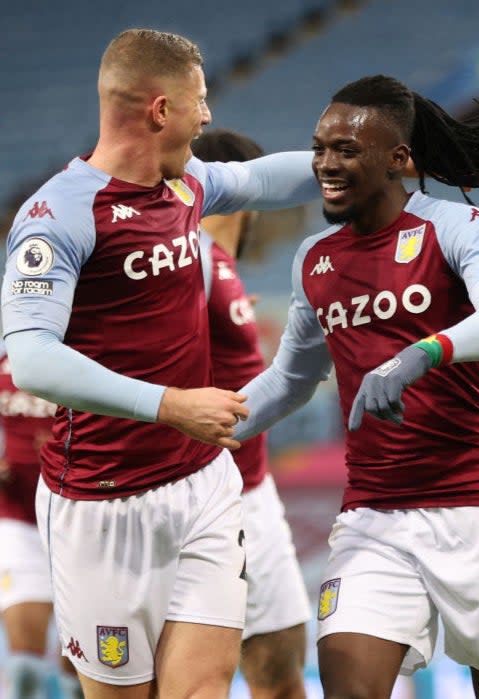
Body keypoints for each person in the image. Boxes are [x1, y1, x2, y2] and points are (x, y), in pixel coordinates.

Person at [1, 28, 320, 698]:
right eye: (198, 101)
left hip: (201, 486)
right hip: (97, 501)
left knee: (204, 688)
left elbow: (262, 179)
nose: (209, 116)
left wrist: (365, 162)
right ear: (159, 110)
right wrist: (171, 404)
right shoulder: (57, 216)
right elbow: (30, 360)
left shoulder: (188, 185)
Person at [233, 74, 479, 699]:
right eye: (320, 147)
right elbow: (291, 380)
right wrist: (193, 430)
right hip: (373, 516)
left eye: (346, 150)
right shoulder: (314, 259)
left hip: (478, 508)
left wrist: (423, 353)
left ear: (398, 159)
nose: (325, 163)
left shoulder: (457, 225)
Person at [193, 129, 311, 699]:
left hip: (251, 492)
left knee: (281, 671)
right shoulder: (188, 260)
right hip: (201, 499)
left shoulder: (219, 269)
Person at [0, 343, 83, 699]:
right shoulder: (4, 360)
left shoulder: (83, 357)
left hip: (77, 518)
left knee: (82, 666)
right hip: (18, 516)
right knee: (24, 669)